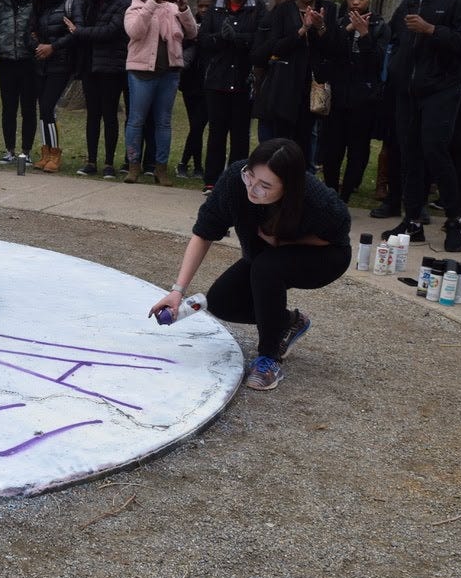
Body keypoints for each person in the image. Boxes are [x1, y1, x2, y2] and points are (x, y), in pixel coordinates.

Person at [148, 139, 351, 391]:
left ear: (289, 187)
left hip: (324, 257)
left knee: (267, 266)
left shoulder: (316, 199)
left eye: (265, 186)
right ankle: (289, 322)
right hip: (267, 254)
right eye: (251, 177)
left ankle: (269, 357)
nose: (253, 189)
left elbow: (338, 235)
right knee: (221, 301)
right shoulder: (236, 179)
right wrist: (178, 290)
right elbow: (204, 232)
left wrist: (283, 241)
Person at [381, 0, 461, 251]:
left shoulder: (457, 0)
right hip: (408, 92)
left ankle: (457, 219)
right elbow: (391, 38)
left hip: (441, 90)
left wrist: (431, 30)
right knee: (410, 155)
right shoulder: (409, 2)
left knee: (435, 151)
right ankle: (413, 221)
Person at [251, 0, 336, 172]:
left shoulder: (329, 9)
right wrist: (302, 30)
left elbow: (335, 47)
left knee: (306, 141)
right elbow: (275, 47)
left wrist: (321, 27)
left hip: (313, 86)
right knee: (282, 143)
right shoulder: (284, 10)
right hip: (285, 86)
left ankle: (303, 185)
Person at [320, 0, 389, 203]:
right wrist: (347, 30)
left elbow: (379, 62)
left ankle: (347, 193)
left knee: (358, 151)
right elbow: (329, 53)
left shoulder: (380, 25)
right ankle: (330, 190)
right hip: (337, 97)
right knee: (332, 149)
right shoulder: (339, 23)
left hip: (364, 100)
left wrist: (366, 34)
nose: (356, 2)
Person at [121, 0, 197, 185]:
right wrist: (152, 4)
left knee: (163, 122)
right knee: (136, 120)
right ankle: (133, 166)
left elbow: (192, 33)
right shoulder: (134, 8)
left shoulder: (173, 9)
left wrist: (184, 10)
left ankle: (160, 169)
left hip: (169, 73)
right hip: (141, 73)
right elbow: (135, 32)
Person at [199, 0, 267, 193]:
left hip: (243, 82)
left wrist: (237, 38)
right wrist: (221, 37)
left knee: (240, 136)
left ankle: (236, 181)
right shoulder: (215, 10)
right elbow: (204, 40)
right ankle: (212, 181)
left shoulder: (258, 8)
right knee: (217, 133)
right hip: (216, 82)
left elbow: (261, 40)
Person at [67, 0, 129, 177]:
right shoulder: (91, 0)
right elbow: (84, 25)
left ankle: (109, 163)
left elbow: (111, 31)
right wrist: (80, 31)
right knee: (92, 114)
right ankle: (91, 161)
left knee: (109, 114)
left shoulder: (123, 1)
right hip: (90, 64)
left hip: (112, 67)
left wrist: (80, 32)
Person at [30, 0, 81, 173]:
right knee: (43, 108)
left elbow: (78, 33)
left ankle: (55, 154)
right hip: (43, 64)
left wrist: (54, 47)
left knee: (48, 106)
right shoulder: (42, 8)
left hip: (62, 63)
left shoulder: (73, 4)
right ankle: (45, 152)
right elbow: (37, 32)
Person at [0, 0, 36, 165]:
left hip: (29, 62)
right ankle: (9, 150)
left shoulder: (36, 2)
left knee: (28, 109)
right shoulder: (0, 4)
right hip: (7, 63)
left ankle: (26, 151)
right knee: (8, 108)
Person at [176, 0, 216, 179]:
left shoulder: (218, 24)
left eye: (208, 6)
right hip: (190, 82)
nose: (203, 9)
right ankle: (197, 166)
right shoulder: (189, 23)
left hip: (211, 83)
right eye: (200, 6)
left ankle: (185, 162)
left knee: (199, 125)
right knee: (195, 125)